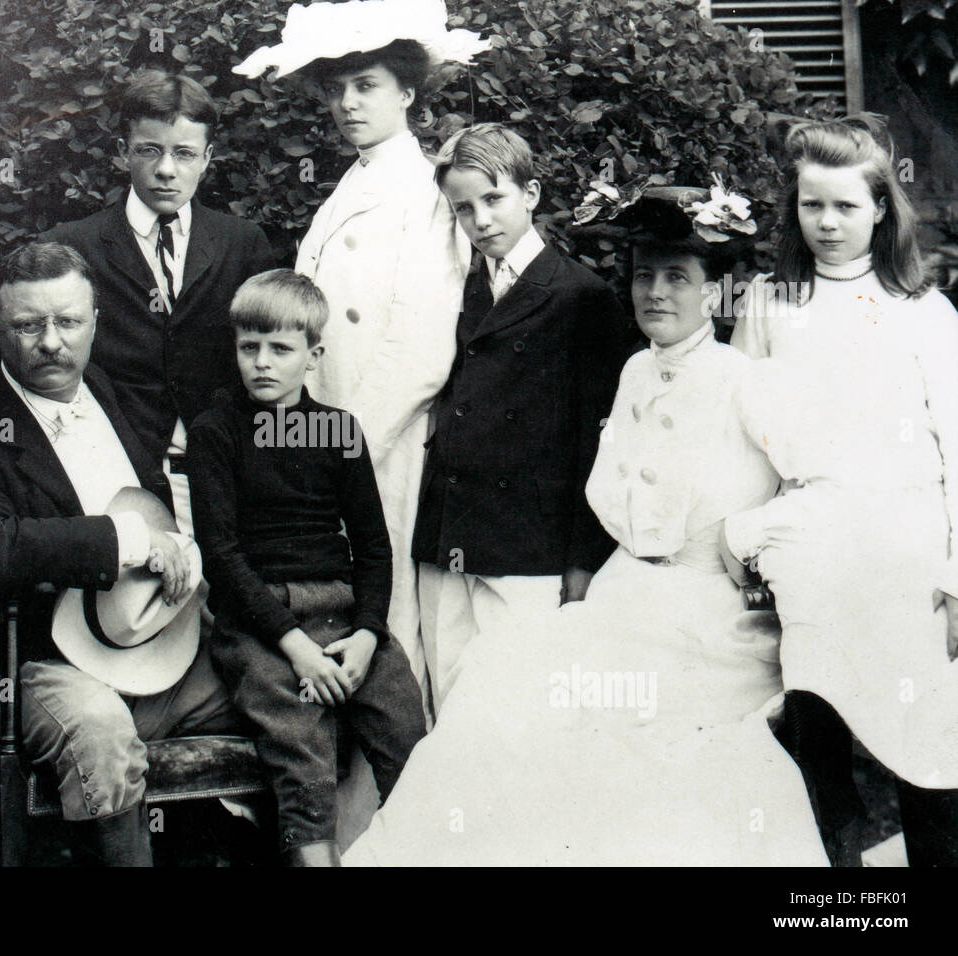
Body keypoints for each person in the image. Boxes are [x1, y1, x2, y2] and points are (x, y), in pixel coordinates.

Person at [343, 185, 828, 866]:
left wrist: (746, 539)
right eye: (644, 276)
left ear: (716, 295)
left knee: (618, 741)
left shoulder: (745, 382)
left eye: (678, 278)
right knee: (497, 692)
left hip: (710, 623)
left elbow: (823, 488)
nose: (656, 292)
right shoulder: (633, 372)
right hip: (621, 602)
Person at [0, 242, 241, 867]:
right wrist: (133, 542)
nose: (50, 342)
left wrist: (182, 549)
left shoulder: (104, 390)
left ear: (96, 320)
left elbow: (150, 493)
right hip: (41, 663)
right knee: (100, 732)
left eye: (68, 321)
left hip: (156, 641)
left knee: (285, 693)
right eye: (27, 325)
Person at [235, 0, 488, 714]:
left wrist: (340, 450)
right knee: (332, 618)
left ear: (408, 91)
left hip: (381, 446)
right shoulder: (351, 184)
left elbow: (420, 346)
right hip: (327, 438)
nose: (348, 103)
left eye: (366, 85)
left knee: (386, 619)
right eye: (338, 86)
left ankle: (398, 805)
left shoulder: (428, 192)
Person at [727, 118, 958, 867]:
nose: (826, 223)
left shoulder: (923, 309)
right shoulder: (768, 301)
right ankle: (842, 895)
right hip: (810, 546)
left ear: (882, 209)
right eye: (810, 205)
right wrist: (747, 536)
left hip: (906, 550)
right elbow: (741, 434)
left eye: (846, 207)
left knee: (923, 736)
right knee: (815, 727)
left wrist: (957, 580)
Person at [188, 269, 427, 866]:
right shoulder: (216, 431)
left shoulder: (339, 431)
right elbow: (222, 557)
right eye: (249, 347)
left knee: (407, 735)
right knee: (303, 754)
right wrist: (295, 646)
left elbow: (374, 546)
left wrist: (369, 636)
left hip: (345, 615)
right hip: (262, 621)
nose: (262, 363)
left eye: (280, 349)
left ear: (313, 355)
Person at [411, 123, 631, 712]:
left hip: (529, 546)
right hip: (449, 535)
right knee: (449, 708)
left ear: (530, 194)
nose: (481, 220)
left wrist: (583, 561)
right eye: (463, 209)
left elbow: (601, 441)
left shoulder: (580, 296)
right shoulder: (457, 289)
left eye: (494, 199)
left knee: (517, 711)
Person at [41, 69, 276, 536]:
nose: (166, 170)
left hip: (227, 478)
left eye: (185, 153)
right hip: (114, 479)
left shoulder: (242, 243)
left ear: (207, 158)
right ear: (122, 152)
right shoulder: (73, 246)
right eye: (150, 150)